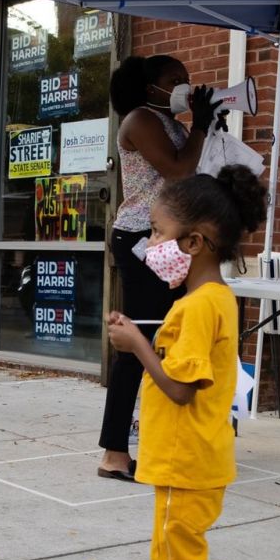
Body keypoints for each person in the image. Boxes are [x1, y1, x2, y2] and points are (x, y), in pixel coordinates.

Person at [106, 164, 267, 560]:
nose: (150, 244)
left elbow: (180, 388)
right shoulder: (208, 298)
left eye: (157, 232)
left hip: (187, 461)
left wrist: (137, 345)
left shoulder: (199, 306)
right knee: (168, 557)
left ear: (194, 243)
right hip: (186, 460)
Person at [96, 54, 225, 482]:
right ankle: (114, 453)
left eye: (186, 78)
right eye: (175, 80)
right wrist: (200, 125)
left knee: (167, 339)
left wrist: (208, 128)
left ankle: (157, 439)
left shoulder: (172, 124)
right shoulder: (140, 120)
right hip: (142, 239)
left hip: (167, 239)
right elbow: (178, 169)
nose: (184, 86)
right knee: (139, 341)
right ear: (149, 86)